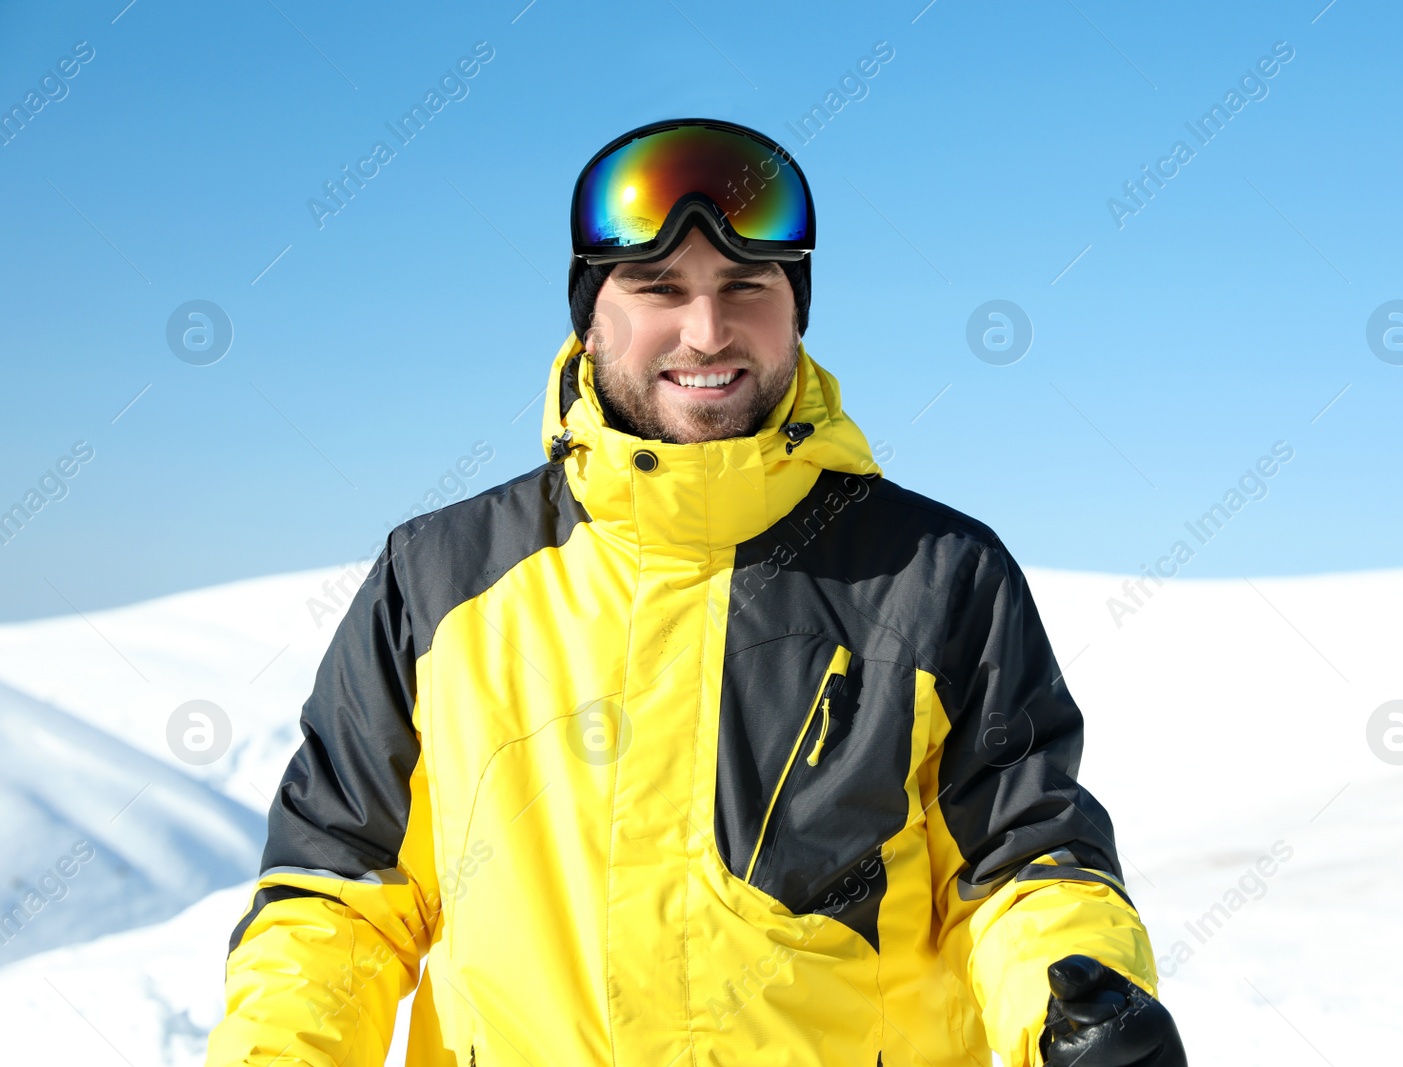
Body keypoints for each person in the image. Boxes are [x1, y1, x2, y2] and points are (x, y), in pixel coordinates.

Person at [205, 118, 1186, 1067]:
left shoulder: (936, 574)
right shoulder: (436, 579)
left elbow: (1022, 868)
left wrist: (1078, 993)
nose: (707, 331)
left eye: (746, 285)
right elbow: (336, 898)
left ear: (795, 308)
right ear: (591, 317)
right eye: (658, 286)